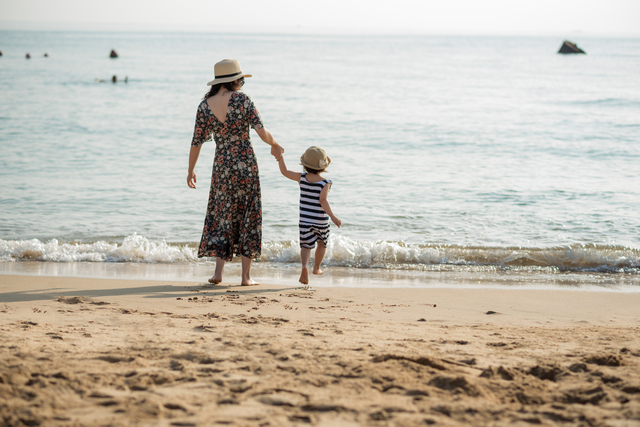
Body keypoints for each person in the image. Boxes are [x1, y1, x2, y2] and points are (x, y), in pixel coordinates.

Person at [188, 59, 284, 286]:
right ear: (234, 80)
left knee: (223, 214)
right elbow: (261, 132)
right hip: (245, 164)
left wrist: (190, 170)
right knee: (249, 214)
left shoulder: (204, 106)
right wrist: (275, 144)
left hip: (222, 166)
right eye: (240, 80)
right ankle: (245, 277)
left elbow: (196, 142)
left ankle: (218, 273)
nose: (241, 84)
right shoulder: (242, 100)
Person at [276, 146, 341, 287]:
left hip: (305, 220)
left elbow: (284, 172)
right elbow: (323, 201)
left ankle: (304, 266)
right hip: (321, 221)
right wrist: (333, 217)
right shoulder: (326, 182)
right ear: (323, 166)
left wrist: (280, 157)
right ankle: (316, 268)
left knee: (306, 246)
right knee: (321, 244)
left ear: (304, 165)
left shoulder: (302, 178)